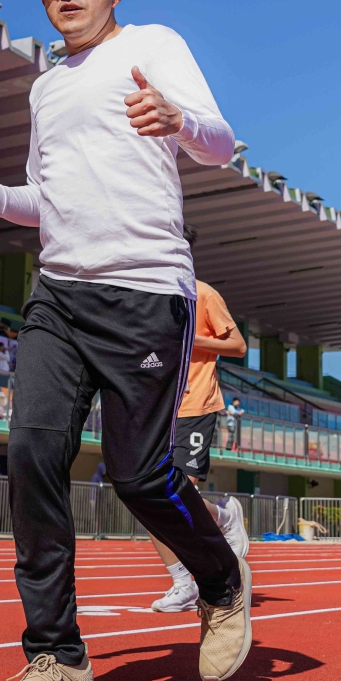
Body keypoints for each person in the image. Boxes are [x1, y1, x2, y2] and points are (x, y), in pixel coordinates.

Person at [0, 0, 249, 681]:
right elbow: (45, 201)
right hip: (59, 293)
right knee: (31, 455)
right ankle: (58, 659)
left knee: (137, 474)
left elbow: (220, 145)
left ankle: (220, 579)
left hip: (145, 292)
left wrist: (177, 119)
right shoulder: (45, 88)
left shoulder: (152, 44)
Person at [150, 226, 250, 612]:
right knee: (148, 497)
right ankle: (182, 582)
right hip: (157, 408)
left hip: (196, 406)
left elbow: (238, 346)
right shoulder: (147, 295)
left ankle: (224, 517)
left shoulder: (203, 294)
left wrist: (192, 338)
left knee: (176, 494)